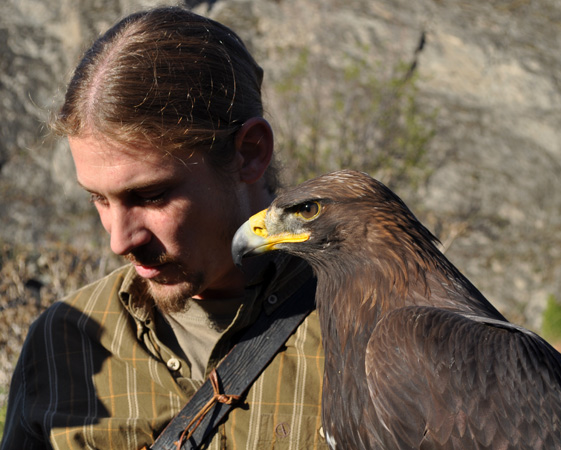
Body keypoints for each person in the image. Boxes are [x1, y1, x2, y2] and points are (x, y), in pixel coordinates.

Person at [1, 6, 327, 449]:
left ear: (250, 153)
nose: (119, 240)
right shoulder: (63, 345)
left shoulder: (374, 335)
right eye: (99, 198)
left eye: (151, 195)